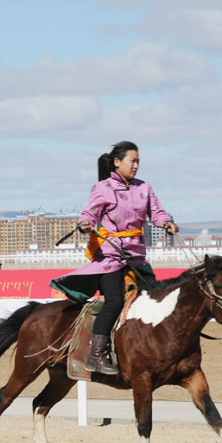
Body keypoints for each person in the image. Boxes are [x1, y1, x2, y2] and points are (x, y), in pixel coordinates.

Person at [50, 140, 177, 375]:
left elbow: (156, 213)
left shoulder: (144, 188)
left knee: (155, 301)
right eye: (133, 161)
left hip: (137, 256)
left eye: (139, 161)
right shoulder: (102, 188)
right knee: (114, 301)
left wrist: (166, 222)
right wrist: (85, 223)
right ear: (117, 162)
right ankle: (96, 356)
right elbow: (89, 213)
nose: (136, 165)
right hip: (111, 257)